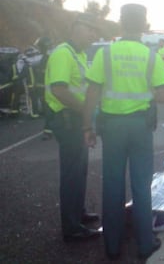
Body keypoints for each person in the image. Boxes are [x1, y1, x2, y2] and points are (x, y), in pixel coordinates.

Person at [83, 3, 164, 260]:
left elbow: (92, 93)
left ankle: (112, 244)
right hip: (140, 127)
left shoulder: (105, 55)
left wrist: (87, 126)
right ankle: (145, 244)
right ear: (144, 26)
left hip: (112, 127)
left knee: (112, 184)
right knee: (142, 186)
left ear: (120, 23)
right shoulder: (151, 56)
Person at [44, 13, 101, 241]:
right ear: (76, 28)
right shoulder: (62, 54)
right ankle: (71, 226)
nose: (94, 35)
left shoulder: (77, 54)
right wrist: (85, 110)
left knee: (80, 169)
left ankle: (78, 213)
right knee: (71, 173)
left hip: (76, 120)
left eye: (95, 31)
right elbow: (59, 89)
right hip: (67, 119)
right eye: (90, 29)